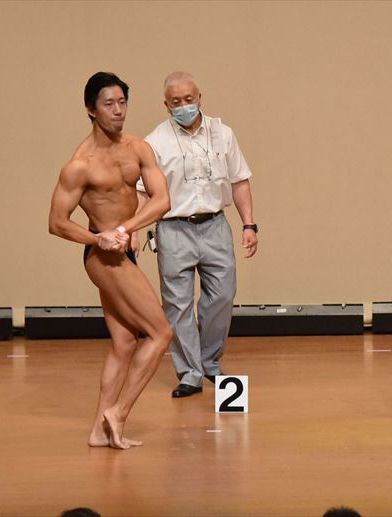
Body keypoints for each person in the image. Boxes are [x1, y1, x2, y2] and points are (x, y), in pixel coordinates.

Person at [48, 72, 172, 449]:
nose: (118, 111)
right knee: (161, 333)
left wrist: (125, 229)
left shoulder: (138, 148)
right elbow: (56, 223)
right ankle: (118, 413)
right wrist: (99, 238)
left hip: (124, 249)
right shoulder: (79, 165)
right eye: (108, 104)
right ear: (91, 109)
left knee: (124, 342)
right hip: (103, 257)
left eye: (122, 102)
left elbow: (162, 200)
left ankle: (99, 432)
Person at [134, 71, 258, 398]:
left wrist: (249, 224)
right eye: (176, 102)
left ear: (200, 97)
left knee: (222, 295)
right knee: (177, 304)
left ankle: (209, 361)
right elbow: (143, 191)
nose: (184, 106)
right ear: (166, 105)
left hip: (215, 224)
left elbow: (239, 180)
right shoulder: (154, 142)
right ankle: (190, 372)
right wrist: (133, 229)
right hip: (173, 228)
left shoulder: (223, 134)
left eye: (189, 99)